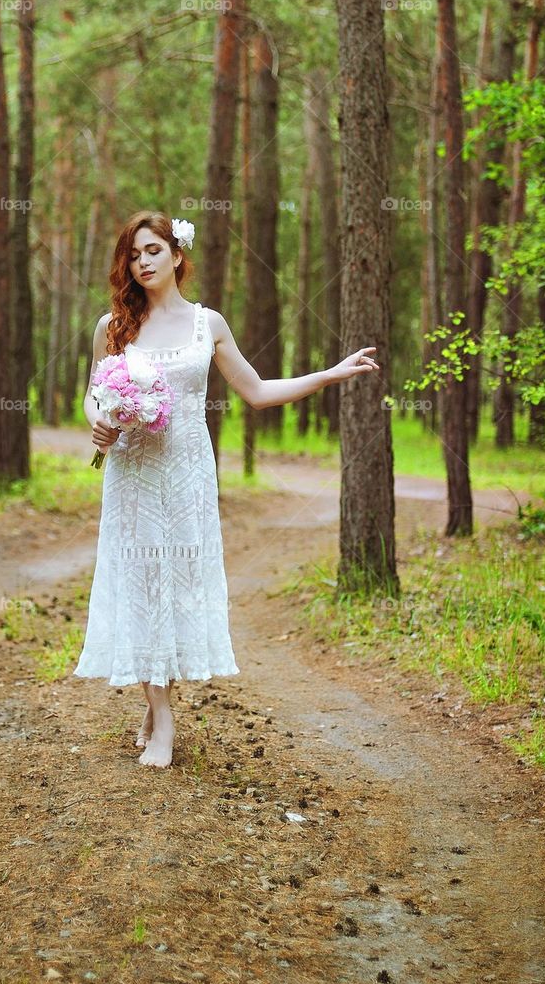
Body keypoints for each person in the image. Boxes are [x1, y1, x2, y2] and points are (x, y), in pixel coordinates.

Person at [72, 210, 380, 769]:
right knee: (141, 583)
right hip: (134, 475)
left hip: (188, 475)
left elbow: (257, 391)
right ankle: (162, 716)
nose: (143, 263)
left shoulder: (206, 324)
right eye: (134, 255)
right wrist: (98, 421)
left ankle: (157, 696)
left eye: (153, 251)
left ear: (177, 255)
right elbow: (95, 394)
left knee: (180, 583)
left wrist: (330, 374)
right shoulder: (113, 327)